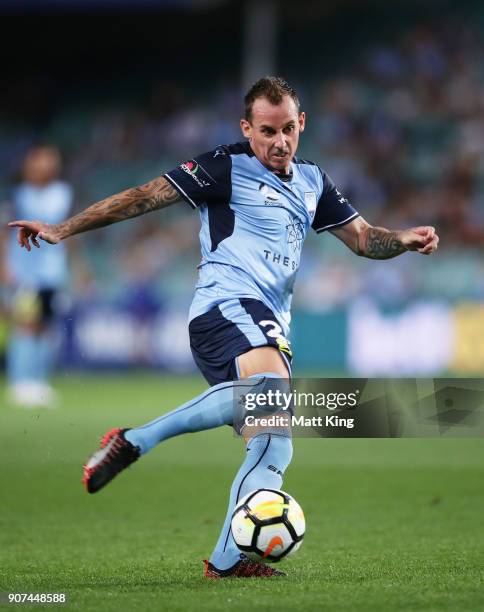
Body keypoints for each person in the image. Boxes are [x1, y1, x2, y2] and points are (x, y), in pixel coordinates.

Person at [9, 77, 439, 577]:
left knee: (275, 442)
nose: (279, 142)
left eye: (287, 130)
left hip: (267, 322)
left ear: (301, 124)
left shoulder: (313, 181)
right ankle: (135, 439)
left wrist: (402, 238)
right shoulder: (223, 166)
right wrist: (63, 228)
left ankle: (226, 562)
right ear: (246, 128)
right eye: (266, 131)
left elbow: (364, 239)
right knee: (274, 396)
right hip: (225, 305)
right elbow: (144, 197)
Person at [5, 145, 73, 407]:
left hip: (53, 270)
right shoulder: (18, 194)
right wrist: (5, 266)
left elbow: (70, 230)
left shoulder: (63, 193)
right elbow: (4, 233)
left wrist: (78, 269)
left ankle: (38, 380)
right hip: (24, 269)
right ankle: (20, 382)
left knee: (46, 325)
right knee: (25, 323)